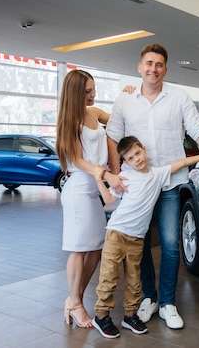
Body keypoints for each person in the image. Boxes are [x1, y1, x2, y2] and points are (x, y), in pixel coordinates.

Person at [105, 43, 199, 330]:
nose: (153, 69)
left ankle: (167, 303)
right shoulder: (125, 101)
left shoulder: (179, 97)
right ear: (140, 67)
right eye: (149, 63)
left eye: (159, 64)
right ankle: (149, 298)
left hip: (168, 184)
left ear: (165, 69)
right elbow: (113, 137)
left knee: (169, 245)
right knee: (138, 245)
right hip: (136, 187)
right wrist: (115, 175)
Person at [91, 136, 199, 338]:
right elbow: (109, 199)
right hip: (116, 234)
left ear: (144, 149)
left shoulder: (157, 174)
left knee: (135, 281)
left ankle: (129, 315)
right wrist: (98, 179)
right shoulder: (125, 177)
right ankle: (101, 317)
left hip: (136, 238)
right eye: (130, 158)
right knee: (109, 278)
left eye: (138, 153)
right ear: (125, 163)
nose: (136, 159)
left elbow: (179, 163)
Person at [56, 69, 114, 329]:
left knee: (96, 246)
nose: (93, 94)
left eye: (94, 89)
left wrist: (128, 98)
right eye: (88, 91)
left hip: (93, 187)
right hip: (80, 187)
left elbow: (117, 121)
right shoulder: (69, 121)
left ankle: (73, 298)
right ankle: (76, 303)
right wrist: (101, 173)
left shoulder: (93, 112)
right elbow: (77, 160)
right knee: (79, 247)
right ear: (76, 93)